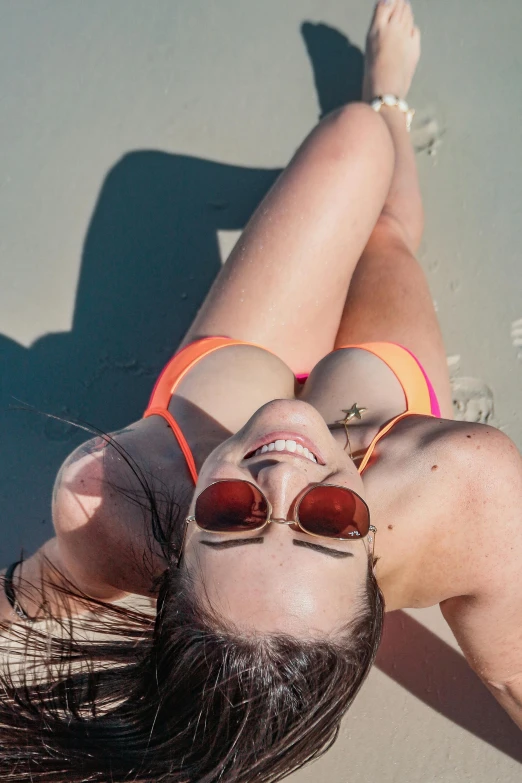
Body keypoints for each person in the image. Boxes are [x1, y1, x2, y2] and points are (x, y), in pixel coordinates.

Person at [1, 1, 521, 781]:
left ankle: (361, 138)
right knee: (383, 229)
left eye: (232, 515)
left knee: (349, 145)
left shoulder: (110, 496)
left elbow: (30, 603)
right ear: (373, 562)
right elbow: (514, 673)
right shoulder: (471, 491)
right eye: (331, 520)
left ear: (176, 550)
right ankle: (390, 100)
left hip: (227, 383)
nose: (281, 474)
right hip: (385, 397)